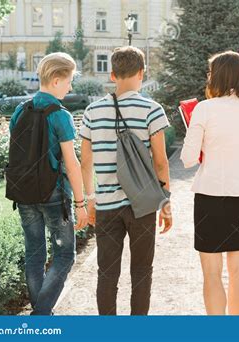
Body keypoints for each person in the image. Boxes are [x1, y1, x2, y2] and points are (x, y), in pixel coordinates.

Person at [79, 46, 172, 315]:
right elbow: (161, 162)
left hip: (106, 204)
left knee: (106, 272)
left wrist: (90, 199)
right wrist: (166, 204)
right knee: (142, 271)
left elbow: (86, 162)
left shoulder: (92, 112)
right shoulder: (152, 110)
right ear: (142, 73)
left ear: (112, 75)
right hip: (142, 205)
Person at [180, 51, 239, 315]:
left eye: (210, 73)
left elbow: (188, 158)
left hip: (210, 196)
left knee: (211, 274)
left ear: (217, 77)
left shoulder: (204, 109)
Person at [9, 52, 88, 315]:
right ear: (56, 80)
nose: (71, 86)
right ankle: (41, 315)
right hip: (55, 196)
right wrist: (81, 202)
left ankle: (42, 313)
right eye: (69, 81)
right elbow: (72, 163)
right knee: (65, 255)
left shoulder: (20, 110)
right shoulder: (60, 114)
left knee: (34, 254)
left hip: (24, 193)